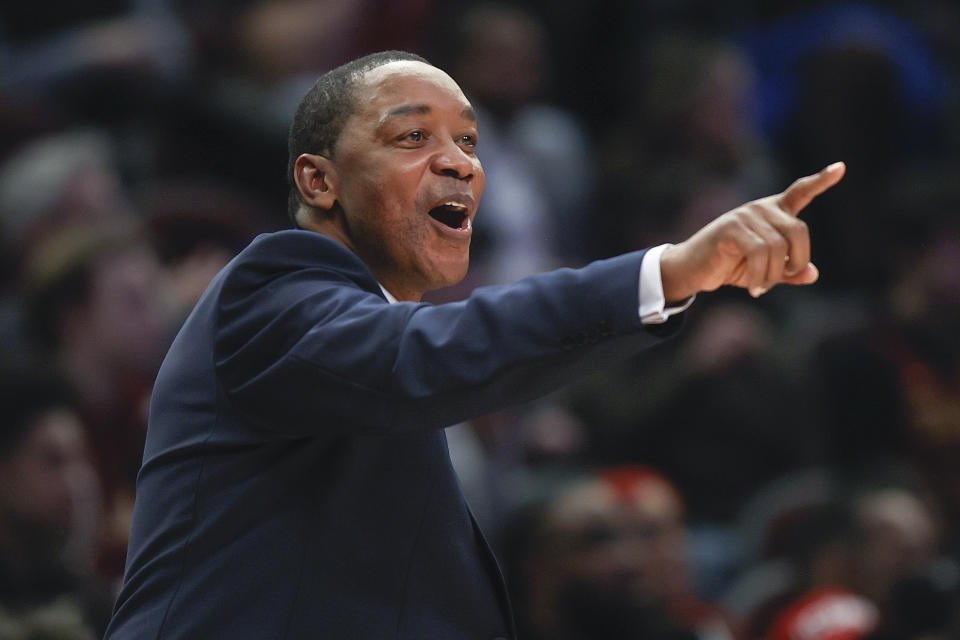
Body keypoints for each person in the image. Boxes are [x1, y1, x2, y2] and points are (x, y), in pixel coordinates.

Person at [103, 50, 844, 639]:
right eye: (411, 136)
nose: (459, 161)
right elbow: (429, 354)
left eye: (468, 140)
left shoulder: (370, 336)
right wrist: (670, 270)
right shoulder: (269, 291)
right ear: (319, 180)